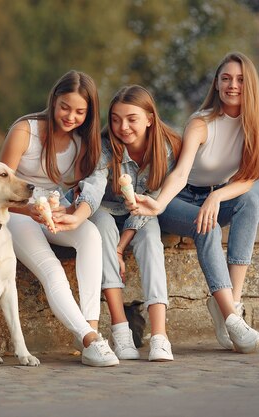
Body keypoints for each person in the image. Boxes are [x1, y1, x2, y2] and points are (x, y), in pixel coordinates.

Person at [131, 51, 259, 353]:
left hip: (215, 195)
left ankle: (231, 302)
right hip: (177, 199)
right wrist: (157, 205)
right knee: (206, 227)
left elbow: (249, 176)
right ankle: (233, 320)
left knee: (252, 203)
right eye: (226, 78)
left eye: (240, 80)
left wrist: (218, 196)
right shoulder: (201, 122)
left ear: (250, 85)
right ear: (217, 83)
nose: (232, 85)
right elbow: (180, 173)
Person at [0, 70, 119, 367]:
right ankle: (91, 339)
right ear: (54, 101)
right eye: (65, 107)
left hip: (51, 209)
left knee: (90, 234)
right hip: (17, 212)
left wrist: (68, 210)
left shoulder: (82, 143)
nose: (71, 116)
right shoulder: (25, 131)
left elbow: (85, 188)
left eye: (80, 111)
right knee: (52, 269)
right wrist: (28, 209)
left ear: (89, 113)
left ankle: (90, 330)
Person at [55, 85, 181, 361]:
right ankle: (120, 328)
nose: (122, 127)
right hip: (105, 208)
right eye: (115, 119)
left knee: (150, 237)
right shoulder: (104, 146)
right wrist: (78, 215)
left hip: (144, 211)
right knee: (101, 228)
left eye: (131, 119)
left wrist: (122, 248)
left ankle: (160, 336)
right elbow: (95, 187)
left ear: (149, 118)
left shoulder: (167, 149)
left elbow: (153, 200)